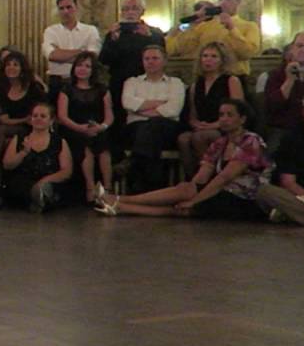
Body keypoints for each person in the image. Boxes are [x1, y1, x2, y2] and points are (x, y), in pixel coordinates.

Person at [96, 99, 267, 220]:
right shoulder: (220, 143)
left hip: (245, 196)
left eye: (230, 115)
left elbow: (225, 177)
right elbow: (203, 174)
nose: (224, 119)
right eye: (221, 114)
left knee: (185, 207)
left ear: (242, 119)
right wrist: (192, 190)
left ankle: (121, 202)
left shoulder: (250, 141)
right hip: (222, 190)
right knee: (186, 189)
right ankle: (119, 203)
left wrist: (195, 200)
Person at [99, 0, 166, 146]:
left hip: (146, 82)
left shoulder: (154, 33)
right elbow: (103, 60)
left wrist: (148, 37)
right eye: (126, 9)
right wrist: (113, 39)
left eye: (134, 8)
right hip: (119, 82)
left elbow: (161, 56)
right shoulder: (115, 33)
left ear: (142, 11)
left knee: (142, 119)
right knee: (119, 119)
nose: (130, 12)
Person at [121, 45, 185, 194]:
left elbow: (173, 109)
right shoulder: (132, 82)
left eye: (155, 58)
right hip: (135, 128)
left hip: (167, 128)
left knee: (154, 125)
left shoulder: (175, 83)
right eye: (147, 59)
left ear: (164, 61)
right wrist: (160, 103)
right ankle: (154, 187)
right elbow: (128, 103)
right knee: (150, 128)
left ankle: (136, 173)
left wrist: (141, 107)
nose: (150, 62)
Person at [178, 42, 244, 178]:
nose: (208, 60)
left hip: (225, 126)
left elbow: (238, 111)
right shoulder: (196, 85)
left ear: (222, 60)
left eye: (214, 56)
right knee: (183, 139)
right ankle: (192, 178)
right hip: (203, 126)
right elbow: (192, 114)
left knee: (201, 137)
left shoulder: (231, 81)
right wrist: (196, 124)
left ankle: (209, 178)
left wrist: (216, 124)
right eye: (205, 56)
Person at [166, 0, 260, 77]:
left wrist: (232, 28)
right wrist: (193, 23)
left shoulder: (249, 26)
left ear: (238, 1)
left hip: (235, 76)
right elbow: (183, 49)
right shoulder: (204, 26)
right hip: (206, 76)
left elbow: (247, 53)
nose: (222, 3)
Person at [56, 51, 113, 203]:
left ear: (93, 70)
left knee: (103, 145)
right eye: (79, 65)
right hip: (73, 129)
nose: (82, 69)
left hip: (97, 127)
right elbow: (62, 116)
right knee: (85, 146)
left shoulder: (102, 90)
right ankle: (90, 188)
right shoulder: (66, 89)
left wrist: (102, 126)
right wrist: (79, 128)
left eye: (87, 66)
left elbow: (109, 115)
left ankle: (107, 188)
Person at [2, 101, 73, 212]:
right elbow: (7, 165)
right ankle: (37, 200)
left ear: (51, 121)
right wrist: (23, 153)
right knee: (18, 185)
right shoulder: (19, 138)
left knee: (55, 189)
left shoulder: (59, 141)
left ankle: (41, 198)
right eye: (35, 116)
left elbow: (66, 171)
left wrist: (43, 182)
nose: (38, 118)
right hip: (24, 182)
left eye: (43, 116)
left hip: (49, 180)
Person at [257, 89, 304, 226]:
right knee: (265, 192)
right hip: (300, 196)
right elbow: (288, 181)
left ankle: (290, 215)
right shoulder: (292, 139)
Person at [0, 49, 46, 170]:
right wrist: (23, 119)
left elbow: (43, 111)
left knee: (3, 131)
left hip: (34, 126)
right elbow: (4, 120)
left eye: (15, 65)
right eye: (8, 65)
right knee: (1, 129)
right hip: (16, 125)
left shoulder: (33, 88)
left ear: (22, 68)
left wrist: (30, 120)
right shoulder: (2, 89)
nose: (11, 67)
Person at [42, 0, 101, 94]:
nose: (65, 11)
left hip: (84, 82)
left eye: (69, 7)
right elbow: (52, 55)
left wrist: (61, 54)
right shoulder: (50, 31)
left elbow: (91, 58)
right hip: (57, 82)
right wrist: (82, 51)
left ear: (76, 7)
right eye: (61, 8)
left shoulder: (90, 30)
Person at [264, 31, 304, 153]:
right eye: (300, 46)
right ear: (292, 49)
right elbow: (272, 107)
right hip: (283, 129)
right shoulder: (276, 75)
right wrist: (289, 80)